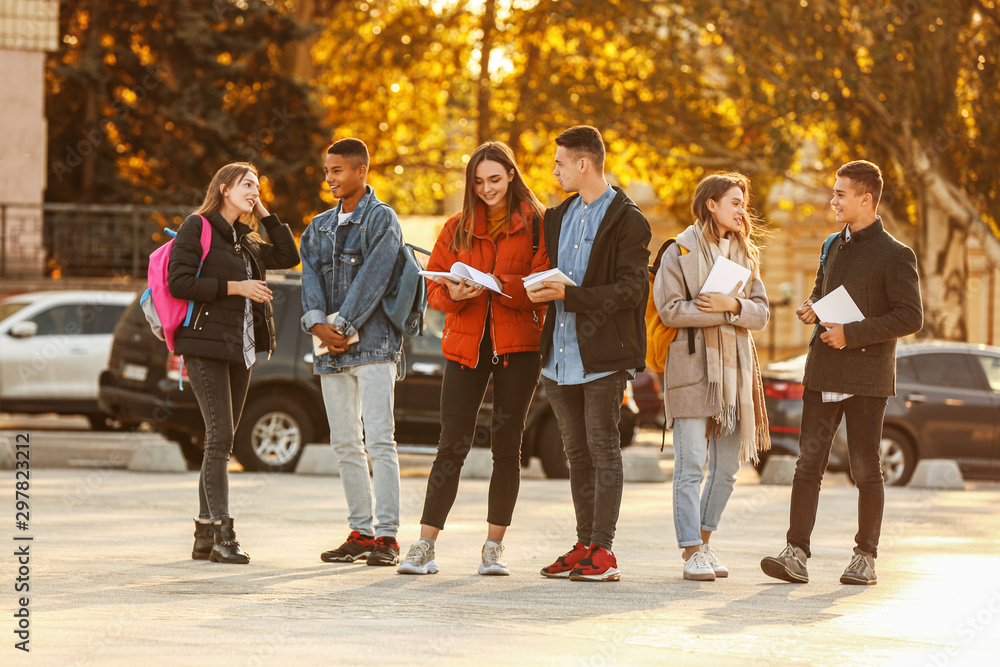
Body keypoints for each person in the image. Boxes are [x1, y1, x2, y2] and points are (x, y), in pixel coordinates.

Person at [761, 160, 922, 585]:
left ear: (865, 199)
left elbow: (910, 316)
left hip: (867, 378)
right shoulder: (832, 243)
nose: (832, 200)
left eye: (840, 194)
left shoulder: (897, 254)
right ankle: (795, 552)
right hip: (823, 371)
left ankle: (865, 558)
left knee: (865, 468)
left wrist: (853, 333)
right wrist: (812, 306)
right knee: (807, 463)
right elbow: (821, 287)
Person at [397, 141, 549, 576]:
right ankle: (425, 545)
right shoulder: (456, 227)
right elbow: (434, 287)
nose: (487, 189)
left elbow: (541, 285)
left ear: (512, 177)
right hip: (467, 344)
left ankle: (493, 548)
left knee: (507, 445)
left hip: (518, 346)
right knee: (452, 444)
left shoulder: (537, 226)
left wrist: (501, 285)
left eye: (495, 180)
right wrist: (454, 293)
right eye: (479, 181)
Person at [528, 126, 651, 582]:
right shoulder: (557, 216)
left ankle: (604, 551)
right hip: (557, 356)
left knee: (604, 451)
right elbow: (548, 272)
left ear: (584, 164)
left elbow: (631, 290)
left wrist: (570, 295)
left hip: (602, 357)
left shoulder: (628, 219)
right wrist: (542, 290)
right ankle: (584, 545)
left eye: (560, 162)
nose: (554, 170)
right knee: (575, 454)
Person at [168, 162, 300, 564]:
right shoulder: (198, 227)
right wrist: (236, 287)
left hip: (241, 349)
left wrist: (262, 213)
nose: (254, 190)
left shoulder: (246, 237)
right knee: (221, 437)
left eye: (258, 185)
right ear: (224, 188)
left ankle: (204, 536)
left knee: (219, 442)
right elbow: (180, 281)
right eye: (247, 185)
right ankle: (223, 534)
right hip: (205, 346)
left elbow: (288, 256)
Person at [653, 173, 771, 581]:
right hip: (691, 369)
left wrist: (733, 303)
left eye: (743, 203)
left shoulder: (745, 254)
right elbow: (670, 310)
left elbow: (761, 313)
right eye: (735, 202)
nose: (742, 210)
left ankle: (703, 541)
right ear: (711, 204)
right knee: (690, 467)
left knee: (727, 470)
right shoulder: (679, 250)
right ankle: (690, 552)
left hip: (735, 377)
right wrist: (726, 311)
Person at [300, 138, 407, 567]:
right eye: (327, 171)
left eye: (338, 170)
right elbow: (309, 277)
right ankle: (360, 532)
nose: (329, 178)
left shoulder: (383, 220)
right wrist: (316, 323)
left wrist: (340, 326)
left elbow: (375, 278)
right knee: (344, 442)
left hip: (375, 345)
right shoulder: (317, 226)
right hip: (329, 348)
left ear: (361, 171)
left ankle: (387, 537)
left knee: (380, 440)